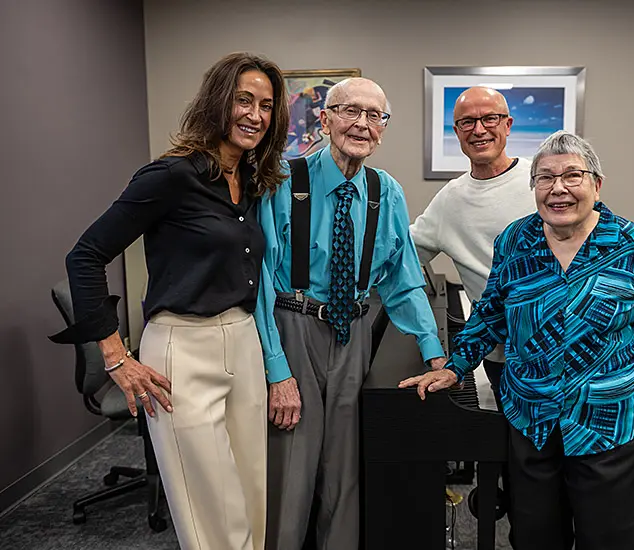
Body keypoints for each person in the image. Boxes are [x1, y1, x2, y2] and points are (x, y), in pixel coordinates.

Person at [400, 130, 634, 550]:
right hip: (532, 420)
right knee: (536, 538)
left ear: (597, 184)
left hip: (612, 422)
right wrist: (455, 366)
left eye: (572, 176)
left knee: (612, 539)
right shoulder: (516, 240)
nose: (558, 189)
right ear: (532, 186)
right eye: (544, 178)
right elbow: (491, 312)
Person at [49, 52, 289, 550]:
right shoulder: (170, 177)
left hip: (242, 344)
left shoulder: (250, 182)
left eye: (266, 105)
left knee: (250, 497)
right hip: (183, 349)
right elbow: (85, 256)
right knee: (211, 513)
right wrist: (115, 356)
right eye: (244, 100)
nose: (255, 115)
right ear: (217, 102)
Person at [254, 77, 447, 550]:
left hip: (353, 332)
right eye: (349, 111)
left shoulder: (387, 192)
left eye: (374, 116)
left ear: (383, 128)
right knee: (291, 469)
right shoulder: (283, 181)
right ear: (325, 119)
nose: (362, 124)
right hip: (292, 327)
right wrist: (276, 370)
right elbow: (257, 282)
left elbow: (404, 279)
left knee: (345, 470)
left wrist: (435, 354)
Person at [410, 86, 535, 411]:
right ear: (457, 132)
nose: (479, 130)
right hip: (500, 356)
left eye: (489, 118)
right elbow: (402, 257)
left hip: (566, 351)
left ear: (507, 124)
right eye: (467, 122)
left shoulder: (544, 179)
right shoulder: (451, 200)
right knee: (520, 452)